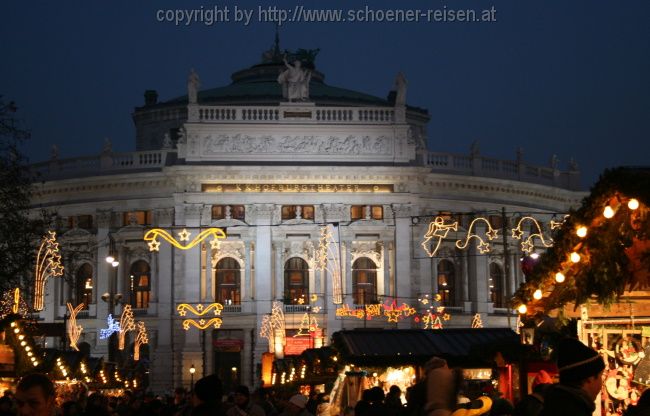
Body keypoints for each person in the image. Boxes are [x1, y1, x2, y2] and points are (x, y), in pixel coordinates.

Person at [539, 337, 605, 416]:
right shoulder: (574, 410)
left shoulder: (555, 403)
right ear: (589, 378)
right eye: (600, 376)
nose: (601, 384)